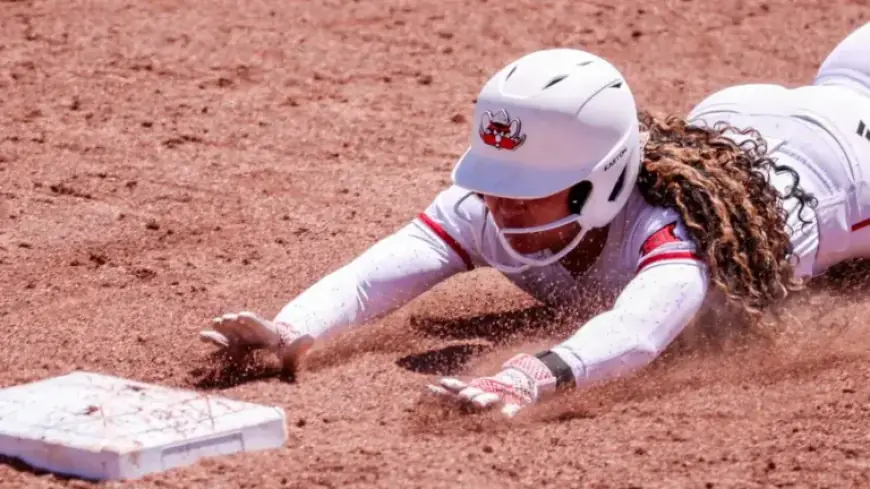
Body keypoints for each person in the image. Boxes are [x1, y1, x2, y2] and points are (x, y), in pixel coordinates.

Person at [200, 22, 870, 418]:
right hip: (747, 121)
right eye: (496, 180)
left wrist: (528, 376)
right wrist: (293, 326)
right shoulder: (489, 203)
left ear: (597, 183)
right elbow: (375, 274)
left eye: (528, 185)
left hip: (851, 160)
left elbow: (637, 332)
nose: (501, 201)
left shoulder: (673, 227)